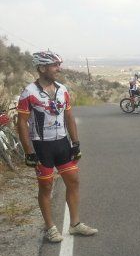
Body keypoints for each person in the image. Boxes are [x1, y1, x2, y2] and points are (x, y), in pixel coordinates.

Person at [16, 51, 98, 243]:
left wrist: (75, 143)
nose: (58, 69)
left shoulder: (63, 89)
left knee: (74, 181)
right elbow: (22, 123)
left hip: (62, 143)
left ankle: (75, 224)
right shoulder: (29, 92)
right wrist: (29, 152)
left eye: (58, 65)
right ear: (42, 68)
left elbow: (69, 116)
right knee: (46, 186)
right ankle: (50, 227)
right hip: (41, 146)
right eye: (54, 65)